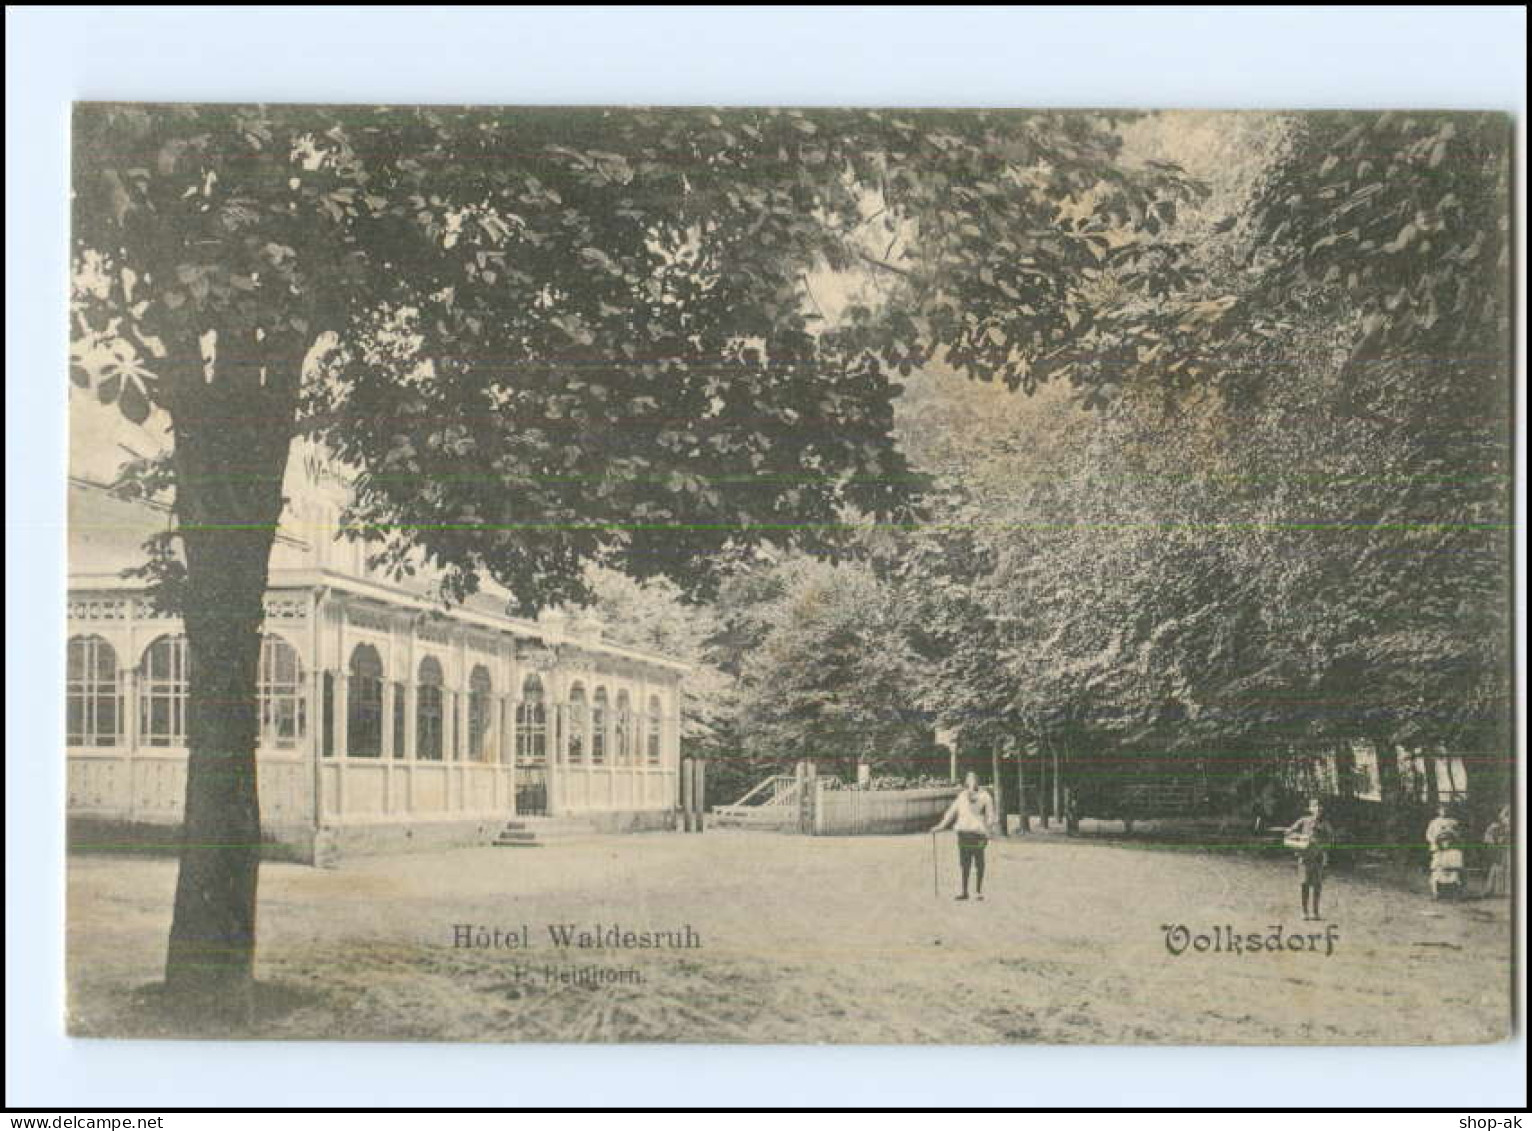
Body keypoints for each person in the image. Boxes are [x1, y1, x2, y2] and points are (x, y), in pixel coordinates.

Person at [932, 772, 997, 901]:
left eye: (974, 779)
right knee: (965, 863)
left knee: (979, 862)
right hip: (963, 832)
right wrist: (940, 826)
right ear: (966, 781)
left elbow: (990, 814)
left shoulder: (984, 796)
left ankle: (978, 891)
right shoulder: (962, 796)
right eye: (969, 779)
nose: (972, 782)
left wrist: (989, 828)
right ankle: (964, 891)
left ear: (978, 780)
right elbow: (951, 811)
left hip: (978, 833)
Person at [1284, 797, 1335, 921]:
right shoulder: (1303, 821)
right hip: (1305, 858)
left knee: (1317, 886)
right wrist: (1299, 836)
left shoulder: (1325, 825)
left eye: (1319, 806)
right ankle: (1304, 911)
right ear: (1310, 808)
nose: (1317, 809)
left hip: (1318, 858)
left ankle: (1315, 912)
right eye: (1314, 806)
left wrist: (1322, 848)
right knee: (1304, 884)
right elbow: (1289, 832)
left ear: (1322, 809)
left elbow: (1331, 841)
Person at [1425, 804, 1465, 901]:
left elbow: (1460, 834)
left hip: (1452, 849)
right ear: (1438, 811)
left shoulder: (1454, 822)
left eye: (1446, 809)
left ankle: (1455, 894)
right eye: (1442, 810)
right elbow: (1428, 835)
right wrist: (1435, 841)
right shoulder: (1434, 822)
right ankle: (1436, 893)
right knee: (1437, 870)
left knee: (1454, 871)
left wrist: (1453, 839)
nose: (1444, 811)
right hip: (1438, 848)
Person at [1482, 805, 1511, 899]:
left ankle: (1506, 890)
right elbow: (1489, 839)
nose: (1507, 819)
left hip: (1509, 850)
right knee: (1496, 867)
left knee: (1507, 868)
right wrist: (1494, 843)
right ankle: (1492, 890)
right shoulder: (1494, 827)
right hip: (1499, 850)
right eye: (1505, 816)